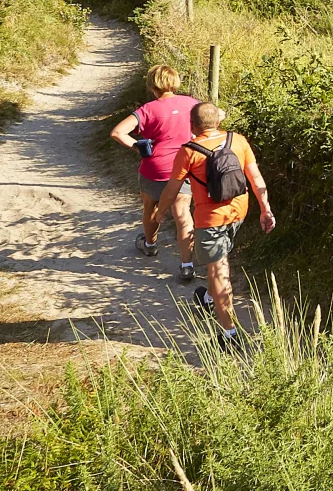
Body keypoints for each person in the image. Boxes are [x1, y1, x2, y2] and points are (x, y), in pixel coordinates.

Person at [167, 102, 276, 345]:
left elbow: (172, 189)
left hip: (211, 219)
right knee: (219, 258)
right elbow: (255, 178)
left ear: (192, 126)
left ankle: (230, 334)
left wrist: (158, 213)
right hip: (238, 211)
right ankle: (209, 298)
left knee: (218, 270)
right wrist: (265, 209)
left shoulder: (188, 151)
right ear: (218, 121)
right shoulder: (237, 140)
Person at [110, 65, 199, 281]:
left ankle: (150, 245)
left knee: (150, 207)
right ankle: (187, 265)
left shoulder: (147, 110)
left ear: (152, 85)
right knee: (183, 214)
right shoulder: (192, 104)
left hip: (154, 167)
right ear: (175, 81)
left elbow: (117, 132)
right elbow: (215, 118)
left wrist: (138, 147)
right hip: (184, 167)